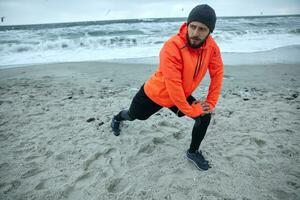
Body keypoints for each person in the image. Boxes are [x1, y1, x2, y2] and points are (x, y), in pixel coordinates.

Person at [111, 4, 223, 171]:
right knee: (134, 115)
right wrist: (192, 110)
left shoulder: (211, 47)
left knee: (204, 116)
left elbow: (217, 73)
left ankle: (193, 152)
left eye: (202, 29)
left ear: (210, 32)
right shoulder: (172, 47)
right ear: (188, 24)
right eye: (192, 27)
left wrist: (210, 103)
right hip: (155, 93)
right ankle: (117, 118)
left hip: (180, 93)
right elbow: (173, 85)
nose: (195, 33)